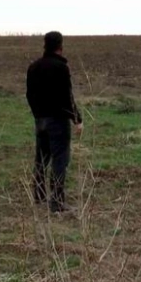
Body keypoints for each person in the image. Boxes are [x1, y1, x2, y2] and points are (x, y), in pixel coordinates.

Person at [26, 31, 83, 213]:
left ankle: (39, 196)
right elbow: (67, 96)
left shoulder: (33, 67)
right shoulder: (61, 68)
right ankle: (57, 203)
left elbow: (29, 95)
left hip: (40, 120)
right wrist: (77, 119)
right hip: (58, 122)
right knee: (60, 160)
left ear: (45, 45)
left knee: (41, 160)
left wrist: (37, 114)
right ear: (60, 46)